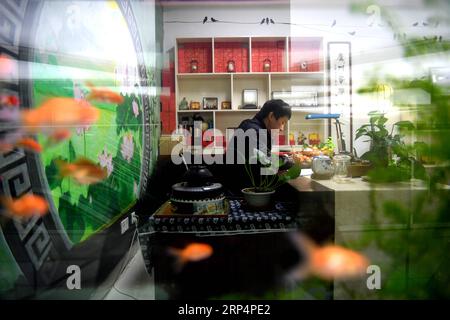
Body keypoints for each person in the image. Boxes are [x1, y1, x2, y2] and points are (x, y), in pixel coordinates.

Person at [212, 99, 293, 195]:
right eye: (282, 122)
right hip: (241, 191)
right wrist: (288, 160)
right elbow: (265, 160)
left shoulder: (253, 126)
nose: (281, 128)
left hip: (245, 186)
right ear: (271, 116)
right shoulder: (253, 130)